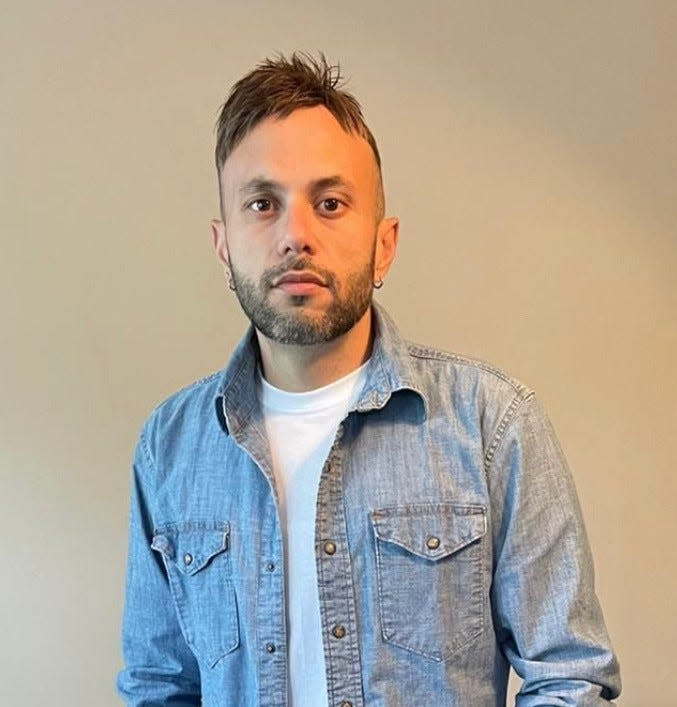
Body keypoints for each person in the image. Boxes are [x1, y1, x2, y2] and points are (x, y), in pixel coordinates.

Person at [117, 53, 621, 706]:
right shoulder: (171, 446)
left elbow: (570, 675)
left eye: (329, 203)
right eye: (262, 204)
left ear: (383, 242)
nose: (295, 235)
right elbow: (159, 688)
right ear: (224, 244)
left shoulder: (491, 424)